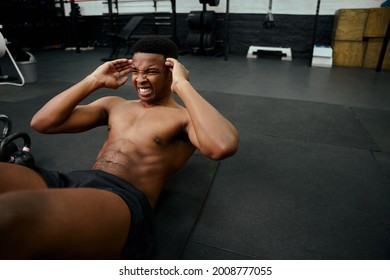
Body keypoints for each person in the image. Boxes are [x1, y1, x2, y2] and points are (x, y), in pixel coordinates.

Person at [0, 36, 239, 259]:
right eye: (136, 71)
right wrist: (93, 80)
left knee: (10, 216)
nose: (140, 79)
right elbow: (42, 123)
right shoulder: (115, 105)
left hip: (121, 199)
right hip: (77, 180)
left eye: (151, 72)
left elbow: (222, 146)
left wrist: (183, 85)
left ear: (170, 72)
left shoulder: (184, 119)